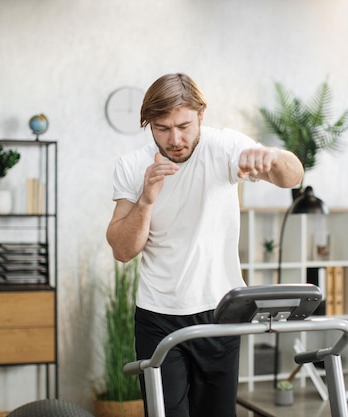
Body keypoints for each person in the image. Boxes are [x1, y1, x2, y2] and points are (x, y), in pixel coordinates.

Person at [106, 73, 304, 417]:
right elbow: (123, 250)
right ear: (149, 125)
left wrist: (272, 156)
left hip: (219, 311)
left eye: (183, 125)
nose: (175, 139)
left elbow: (293, 176)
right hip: (157, 315)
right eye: (162, 128)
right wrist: (147, 201)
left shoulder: (224, 147)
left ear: (200, 115)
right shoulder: (133, 165)